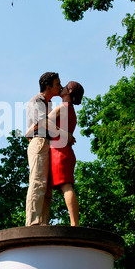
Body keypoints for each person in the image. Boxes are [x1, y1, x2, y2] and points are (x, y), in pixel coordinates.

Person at [24, 72, 75, 226]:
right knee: (38, 182)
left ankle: (42, 223)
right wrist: (65, 134)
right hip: (39, 143)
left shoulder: (47, 103)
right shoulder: (38, 100)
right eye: (57, 84)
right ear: (48, 87)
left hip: (45, 143)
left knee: (46, 188)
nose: (60, 87)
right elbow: (44, 122)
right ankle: (34, 223)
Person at [48, 81, 84, 226]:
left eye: (64, 86)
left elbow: (43, 123)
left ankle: (75, 224)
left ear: (69, 91)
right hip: (65, 151)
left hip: (59, 152)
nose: (61, 88)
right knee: (67, 187)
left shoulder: (62, 108)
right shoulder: (71, 111)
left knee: (66, 187)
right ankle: (74, 222)